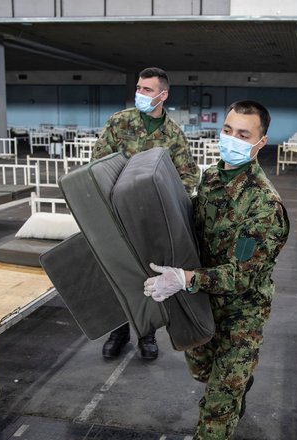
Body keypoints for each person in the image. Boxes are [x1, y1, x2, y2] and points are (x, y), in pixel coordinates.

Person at [143, 100, 290, 439]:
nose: (231, 139)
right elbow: (191, 226)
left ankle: (232, 388)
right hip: (203, 302)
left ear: (260, 143)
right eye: (227, 131)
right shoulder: (211, 178)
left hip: (241, 315)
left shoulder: (264, 206)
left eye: (243, 134)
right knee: (202, 372)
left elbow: (240, 277)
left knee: (217, 409)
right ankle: (238, 381)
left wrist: (184, 279)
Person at [92, 67, 200, 361]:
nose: (140, 94)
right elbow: (98, 164)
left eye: (147, 90)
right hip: (116, 213)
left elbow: (188, 176)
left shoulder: (173, 135)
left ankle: (147, 333)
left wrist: (169, 205)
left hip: (149, 221)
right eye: (139, 88)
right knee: (115, 272)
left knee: (146, 274)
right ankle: (118, 330)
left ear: (163, 95)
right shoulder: (120, 122)